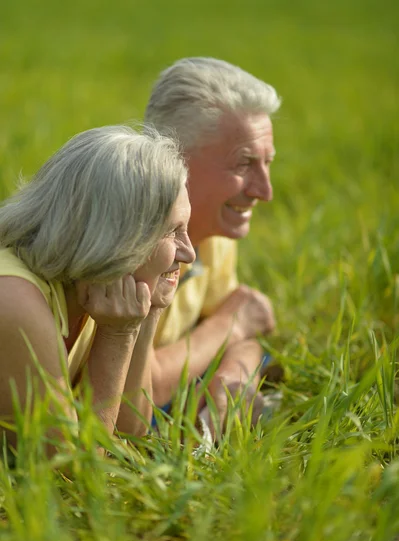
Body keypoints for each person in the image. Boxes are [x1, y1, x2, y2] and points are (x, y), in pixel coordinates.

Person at [0, 125, 195, 455]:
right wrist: (117, 338)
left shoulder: (97, 289)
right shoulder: (14, 298)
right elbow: (69, 472)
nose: (188, 252)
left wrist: (147, 313)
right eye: (173, 232)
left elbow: (132, 432)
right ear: (117, 236)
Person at [144, 57, 281, 434]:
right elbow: (139, 392)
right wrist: (229, 323)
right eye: (243, 164)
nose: (264, 191)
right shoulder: (133, 245)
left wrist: (233, 373)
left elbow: (244, 339)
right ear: (173, 160)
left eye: (267, 163)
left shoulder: (213, 229)